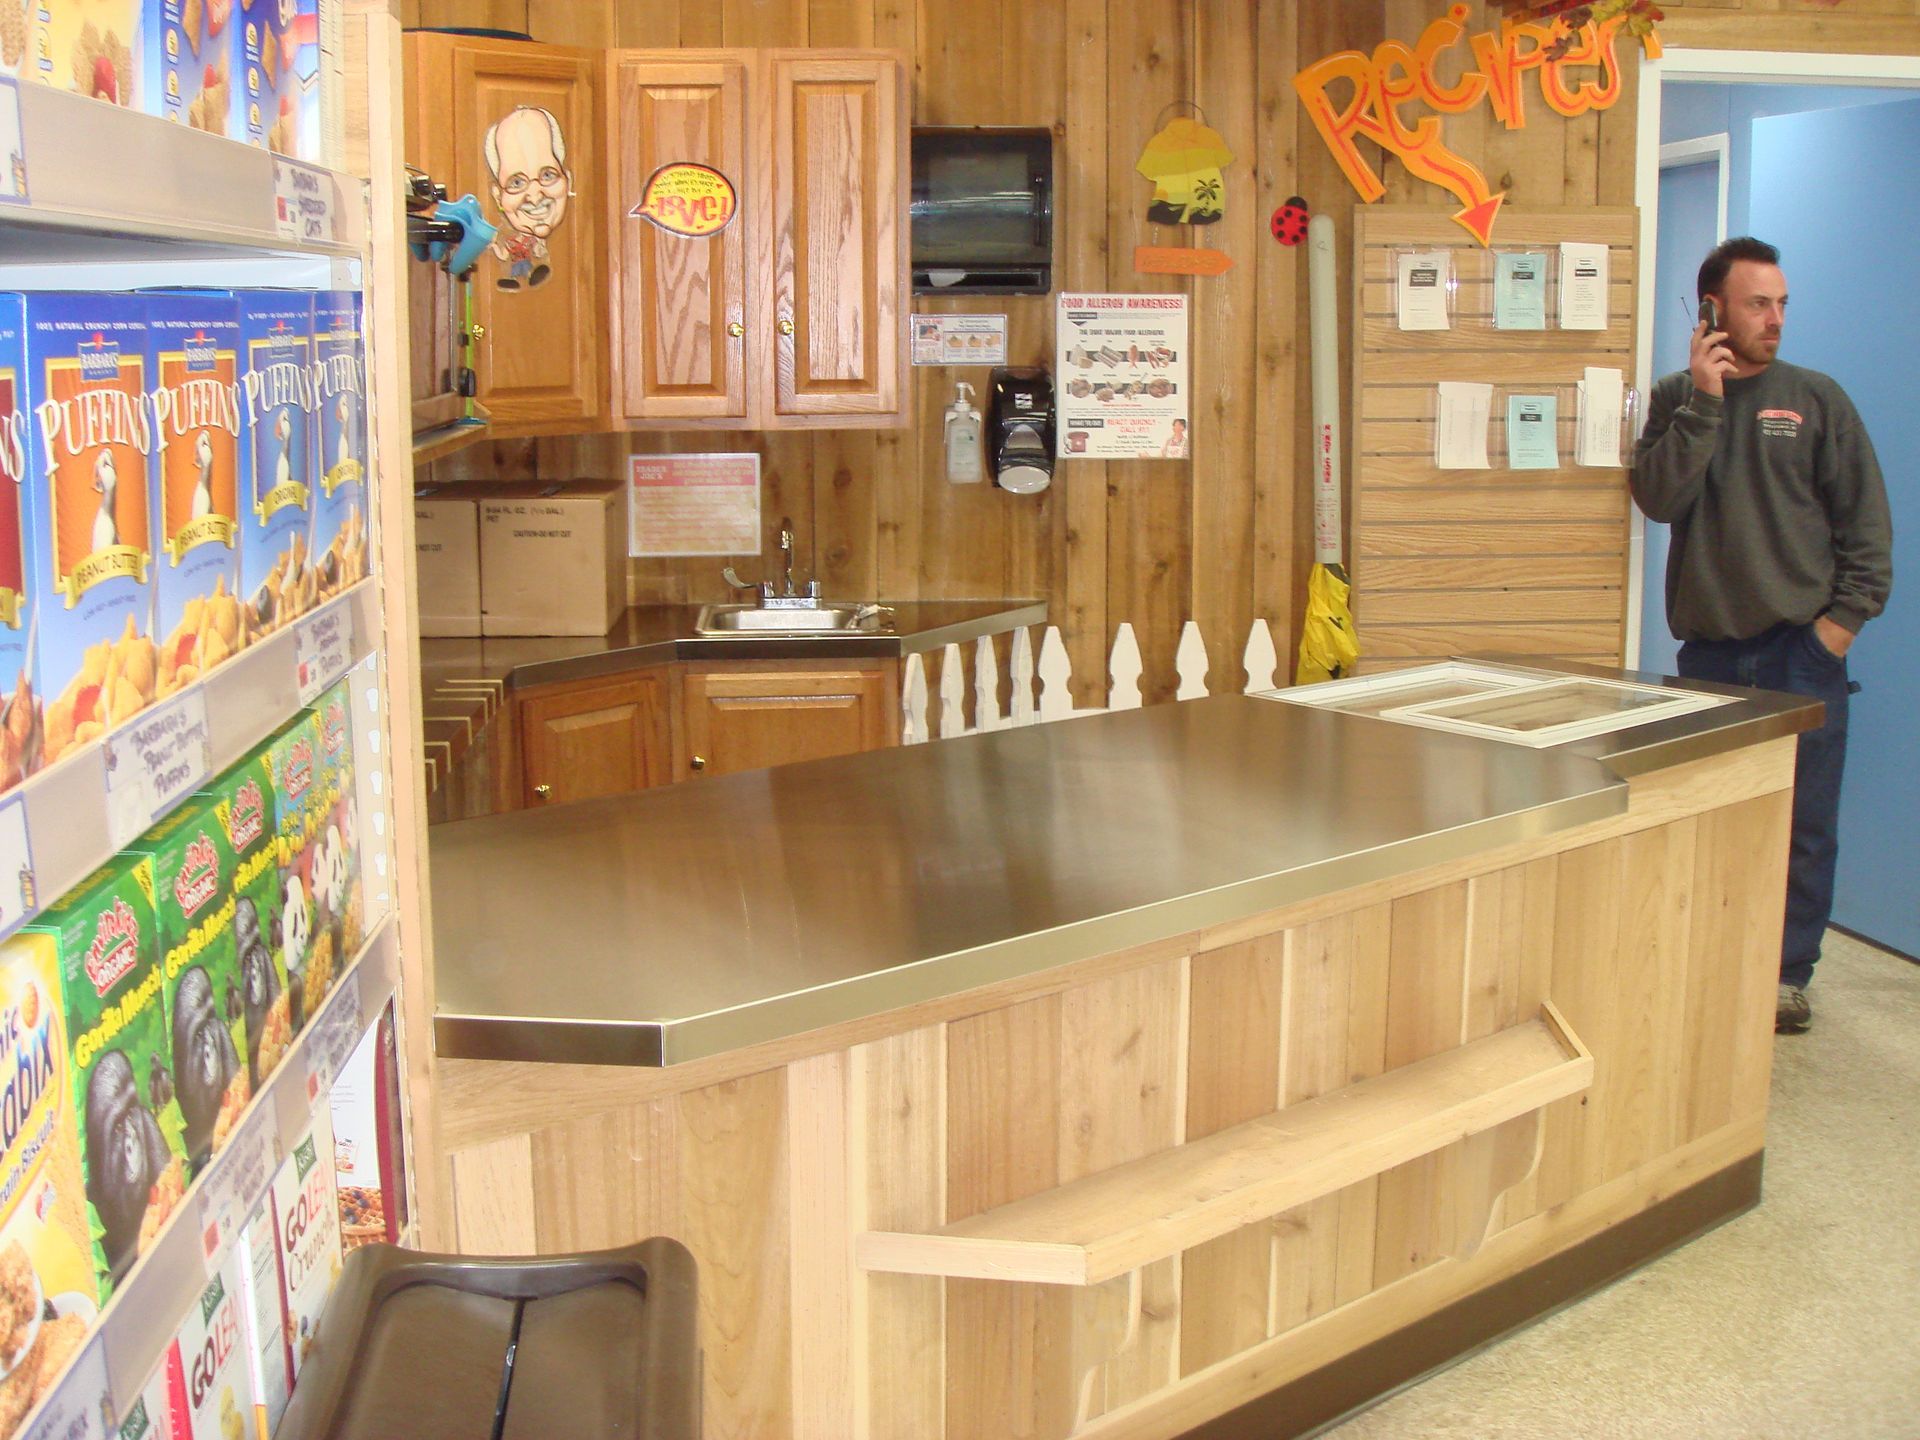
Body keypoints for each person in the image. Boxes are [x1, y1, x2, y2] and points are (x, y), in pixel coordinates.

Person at [1632, 236, 1893, 1034]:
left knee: (1803, 826)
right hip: (1709, 657)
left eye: (1782, 303)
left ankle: (1786, 973)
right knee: (1712, 817)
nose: (1775, 319)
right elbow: (1659, 499)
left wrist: (1834, 634)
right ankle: (1713, 952)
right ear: (1711, 307)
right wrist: (1705, 401)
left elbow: (1867, 532)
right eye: (1757, 303)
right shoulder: (1677, 397)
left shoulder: (1818, 400)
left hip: (1799, 654)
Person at [483, 107, 573, 291]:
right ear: (498, 196)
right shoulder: (505, 237)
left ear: (568, 182)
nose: (534, 196)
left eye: (548, 175)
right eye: (516, 182)